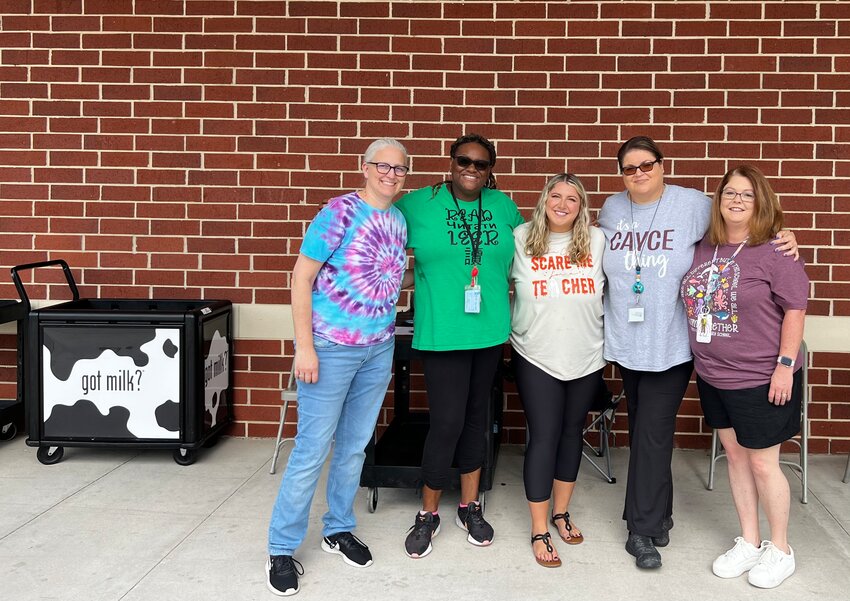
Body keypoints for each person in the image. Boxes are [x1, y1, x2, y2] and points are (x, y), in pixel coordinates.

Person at [597, 136, 798, 570]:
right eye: (629, 168)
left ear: (662, 165)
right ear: (621, 174)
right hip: (627, 345)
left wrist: (785, 233)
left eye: (646, 165)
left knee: (650, 434)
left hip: (672, 346)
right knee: (646, 434)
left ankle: (642, 529)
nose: (639, 174)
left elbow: (744, 214)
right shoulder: (611, 210)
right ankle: (661, 515)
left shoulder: (693, 205)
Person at [266, 139, 409, 596]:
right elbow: (301, 277)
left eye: (399, 169)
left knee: (353, 447)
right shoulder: (339, 213)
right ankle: (281, 548)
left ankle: (338, 528)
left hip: (377, 348)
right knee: (311, 449)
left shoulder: (398, 220)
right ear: (364, 168)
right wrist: (303, 348)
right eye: (383, 166)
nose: (390, 174)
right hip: (329, 347)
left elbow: (385, 273)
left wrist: (428, 272)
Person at [396, 133, 523, 559]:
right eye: (463, 160)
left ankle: (469, 506)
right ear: (451, 162)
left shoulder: (504, 207)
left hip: (489, 333)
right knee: (447, 423)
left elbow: (523, 264)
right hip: (442, 334)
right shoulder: (418, 203)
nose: (471, 168)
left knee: (476, 420)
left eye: (481, 164)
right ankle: (428, 513)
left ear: (491, 171)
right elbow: (376, 237)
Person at [681, 165, 807, 589]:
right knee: (735, 457)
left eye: (747, 194)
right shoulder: (704, 248)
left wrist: (784, 366)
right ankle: (750, 541)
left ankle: (781, 549)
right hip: (714, 374)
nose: (736, 200)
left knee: (763, 463)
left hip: (762, 377)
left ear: (761, 202)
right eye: (729, 193)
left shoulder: (776, 251)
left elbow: (795, 309)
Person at [509, 174, 606, 568]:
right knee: (544, 436)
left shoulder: (598, 241)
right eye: (556, 196)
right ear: (544, 199)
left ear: (582, 206)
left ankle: (561, 513)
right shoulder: (521, 237)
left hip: (586, 355)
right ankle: (539, 528)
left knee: (571, 433)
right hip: (536, 354)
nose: (563, 204)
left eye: (573, 199)